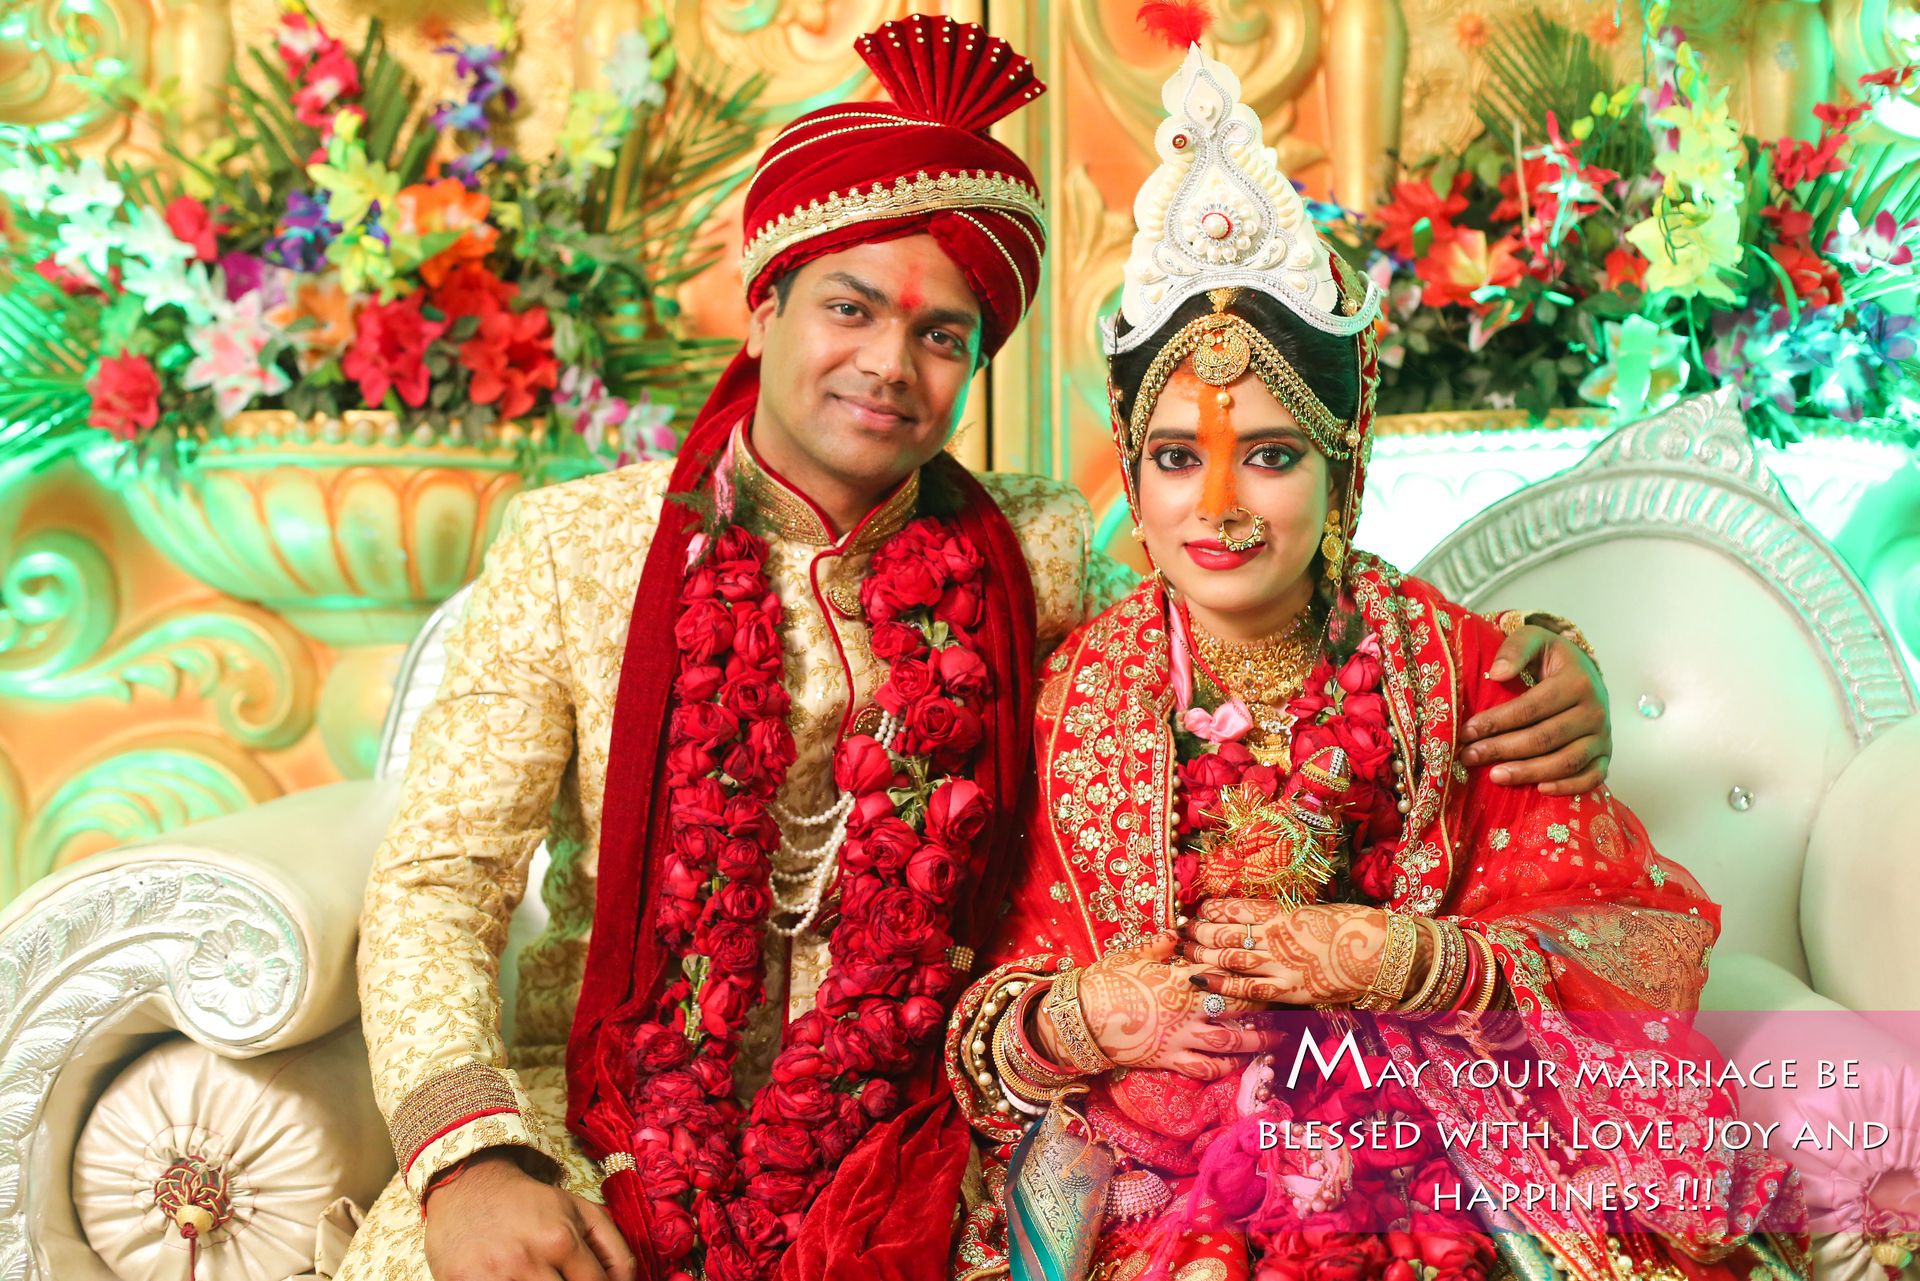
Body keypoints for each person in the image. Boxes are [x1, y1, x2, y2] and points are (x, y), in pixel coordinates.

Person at [342, 16, 1615, 1281]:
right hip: (597, 1124)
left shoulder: (1034, 549)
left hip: (911, 1137)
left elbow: (1250, 614)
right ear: (762, 308)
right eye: (851, 309)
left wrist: (1543, 649)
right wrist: (470, 1163)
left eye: (944, 335)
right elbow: (438, 885)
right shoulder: (578, 550)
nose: (890, 365)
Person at [942, 20, 1805, 1281]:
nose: (1221, 505)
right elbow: (973, 1013)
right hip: (1146, 1163)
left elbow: (1631, 946)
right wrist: (1076, 1017)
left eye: (1274, 456)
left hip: (1425, 1135)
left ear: (1343, 474)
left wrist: (1414, 959)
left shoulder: (1467, 672)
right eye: (1178, 458)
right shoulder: (1068, 692)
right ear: (1132, 471)